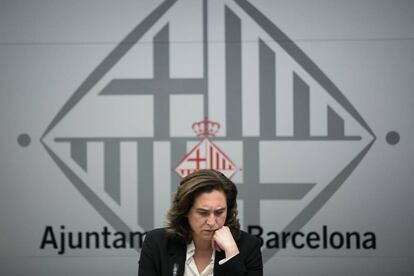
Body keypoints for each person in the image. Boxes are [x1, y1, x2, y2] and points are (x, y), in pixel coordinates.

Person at [138, 169, 263, 276]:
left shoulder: (249, 246)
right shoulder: (157, 243)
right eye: (203, 213)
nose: (212, 222)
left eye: (219, 212)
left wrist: (231, 253)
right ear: (185, 210)